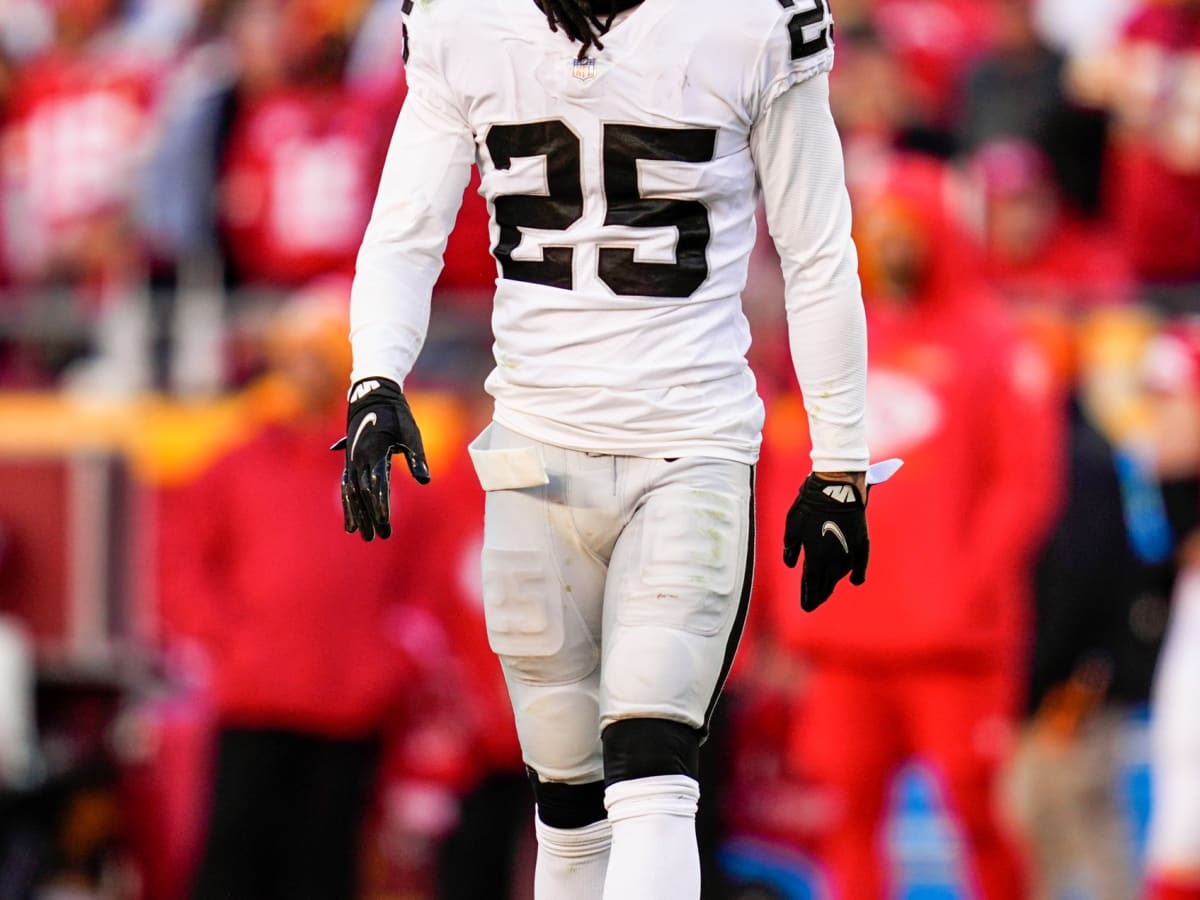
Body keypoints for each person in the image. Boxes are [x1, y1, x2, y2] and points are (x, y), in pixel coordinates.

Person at [335, 1, 881, 898]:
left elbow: (818, 251)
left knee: (652, 761)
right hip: (537, 449)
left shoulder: (746, 20)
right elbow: (405, 227)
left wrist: (842, 464)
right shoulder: (463, 22)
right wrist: (374, 378)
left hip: (686, 442)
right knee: (567, 800)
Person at [759, 155, 1062, 900]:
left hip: (953, 648)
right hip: (844, 645)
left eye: (904, 226)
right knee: (846, 820)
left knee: (980, 815)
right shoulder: (830, 343)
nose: (890, 244)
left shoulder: (995, 344)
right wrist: (783, 610)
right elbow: (785, 486)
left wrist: (964, 586)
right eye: (878, 227)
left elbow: (1026, 487)